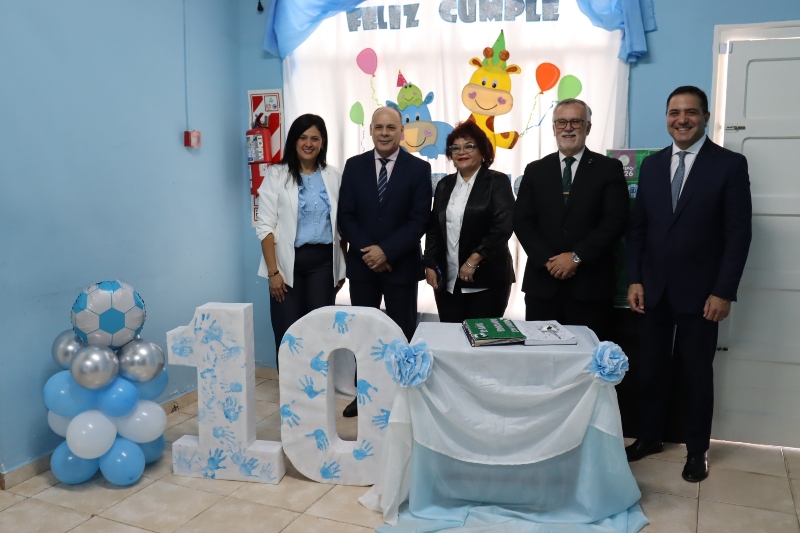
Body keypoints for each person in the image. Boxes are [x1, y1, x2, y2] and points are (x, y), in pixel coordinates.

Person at [625, 86, 752, 482]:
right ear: (666, 117)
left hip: (703, 294)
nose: (682, 119)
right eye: (674, 112)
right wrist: (634, 279)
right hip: (653, 290)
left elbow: (738, 234)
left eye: (691, 112)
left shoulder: (729, 165)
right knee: (650, 369)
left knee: (696, 373)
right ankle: (650, 437)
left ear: (706, 117)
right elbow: (638, 229)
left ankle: (697, 450)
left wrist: (724, 291)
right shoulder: (652, 165)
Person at [338, 106, 432, 416]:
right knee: (363, 334)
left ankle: (402, 397)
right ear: (370, 130)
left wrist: (387, 251)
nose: (384, 133)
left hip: (401, 267)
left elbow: (420, 219)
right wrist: (371, 252)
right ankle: (362, 395)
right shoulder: (354, 166)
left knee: (401, 334)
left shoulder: (419, 169)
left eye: (391, 127)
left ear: (402, 131)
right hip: (363, 267)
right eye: (379, 127)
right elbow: (346, 217)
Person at [513, 98, 629, 342]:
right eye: (561, 122)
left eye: (576, 121)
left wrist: (576, 257)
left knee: (588, 357)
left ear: (588, 127)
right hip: (542, 287)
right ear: (554, 128)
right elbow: (522, 221)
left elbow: (615, 221)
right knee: (542, 356)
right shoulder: (535, 170)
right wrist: (549, 261)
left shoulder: (609, 168)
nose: (568, 128)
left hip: (590, 287)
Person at [255, 114, 346, 369]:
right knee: (288, 335)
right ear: (294, 140)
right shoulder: (277, 174)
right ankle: (290, 390)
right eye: (303, 137)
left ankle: (318, 389)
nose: (309, 143)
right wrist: (273, 272)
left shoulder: (333, 175)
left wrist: (341, 267)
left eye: (315, 138)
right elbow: (265, 226)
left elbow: (341, 227)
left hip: (323, 265)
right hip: (286, 266)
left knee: (320, 333)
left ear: (322, 142)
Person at [424, 121, 515, 322]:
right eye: (455, 148)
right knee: (451, 337)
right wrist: (429, 263)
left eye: (469, 146)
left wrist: (474, 260)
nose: (461, 152)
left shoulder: (497, 181)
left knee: (482, 338)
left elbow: (503, 226)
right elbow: (433, 228)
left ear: (483, 150)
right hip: (447, 282)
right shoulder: (444, 185)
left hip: (487, 280)